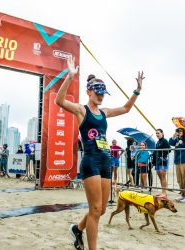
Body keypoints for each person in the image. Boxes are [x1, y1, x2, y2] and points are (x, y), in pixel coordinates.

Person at [55, 55, 144, 250]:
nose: (101, 95)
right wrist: (70, 77)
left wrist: (137, 90)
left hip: (105, 160)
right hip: (91, 160)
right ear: (89, 91)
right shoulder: (81, 110)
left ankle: (78, 229)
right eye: (98, 92)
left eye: (103, 93)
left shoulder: (104, 113)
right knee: (94, 209)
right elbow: (59, 100)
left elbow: (126, 108)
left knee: (101, 209)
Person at [169, 127, 185, 202]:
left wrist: (182, 144)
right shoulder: (176, 139)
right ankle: (182, 194)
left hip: (184, 160)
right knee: (179, 179)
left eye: (180, 131)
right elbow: (170, 143)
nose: (179, 132)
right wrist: (173, 136)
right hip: (177, 161)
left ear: (183, 132)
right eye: (177, 131)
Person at [152, 129, 171, 198]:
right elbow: (156, 151)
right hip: (157, 161)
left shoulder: (165, 140)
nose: (157, 134)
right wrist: (153, 162)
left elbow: (169, 149)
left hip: (163, 161)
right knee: (160, 177)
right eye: (156, 133)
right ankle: (162, 192)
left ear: (162, 133)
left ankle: (164, 193)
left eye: (158, 133)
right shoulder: (158, 142)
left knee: (163, 177)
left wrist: (163, 156)